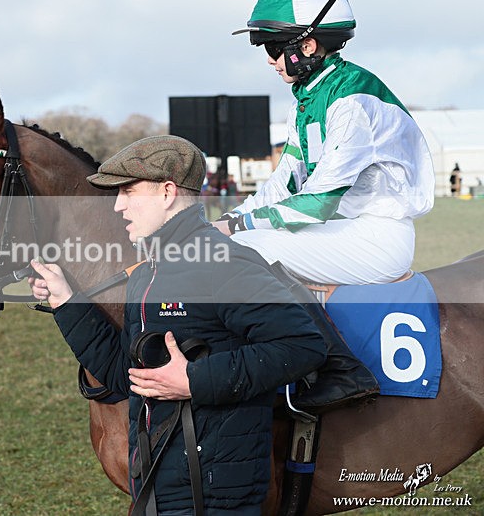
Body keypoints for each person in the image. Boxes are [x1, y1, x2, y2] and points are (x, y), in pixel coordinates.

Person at [29, 136, 327, 514]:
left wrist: (195, 380)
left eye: (129, 191)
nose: (118, 205)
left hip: (217, 495)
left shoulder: (224, 262)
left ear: (167, 192)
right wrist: (66, 302)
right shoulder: (145, 275)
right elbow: (124, 377)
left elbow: (302, 346)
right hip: (158, 484)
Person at [220, 0, 434, 286]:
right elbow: (282, 187)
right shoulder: (306, 103)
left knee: (242, 249)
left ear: (306, 46)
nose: (269, 60)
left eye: (274, 48)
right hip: (342, 230)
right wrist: (225, 221)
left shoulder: (353, 101)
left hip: (378, 240)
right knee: (228, 242)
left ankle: (299, 336)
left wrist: (236, 227)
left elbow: (318, 203)